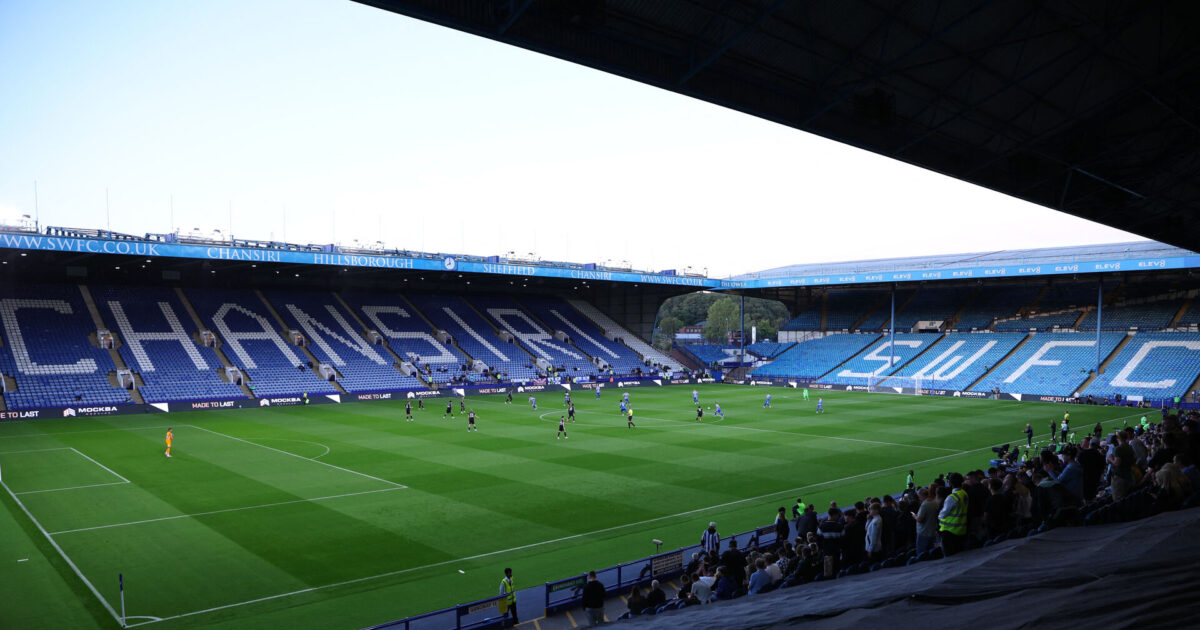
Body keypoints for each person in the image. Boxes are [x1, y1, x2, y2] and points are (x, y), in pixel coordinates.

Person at [938, 472, 968, 556]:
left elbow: (942, 515)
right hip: (961, 529)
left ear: (949, 482)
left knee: (949, 557)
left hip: (949, 532)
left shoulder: (952, 497)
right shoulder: (964, 493)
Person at [914, 487, 938, 555]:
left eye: (919, 497)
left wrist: (915, 516)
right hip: (932, 531)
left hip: (924, 533)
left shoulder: (925, 504)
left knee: (921, 553)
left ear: (923, 496)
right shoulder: (934, 502)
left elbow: (920, 519)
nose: (919, 498)